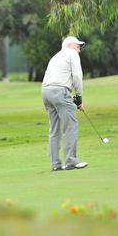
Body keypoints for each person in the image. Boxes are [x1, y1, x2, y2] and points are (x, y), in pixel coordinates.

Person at [41, 36, 88, 171]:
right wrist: (79, 97)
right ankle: (71, 161)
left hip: (46, 92)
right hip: (60, 90)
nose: (79, 50)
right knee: (70, 126)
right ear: (69, 45)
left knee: (54, 129)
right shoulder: (71, 53)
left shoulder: (56, 56)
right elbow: (77, 76)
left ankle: (55, 164)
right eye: (78, 46)